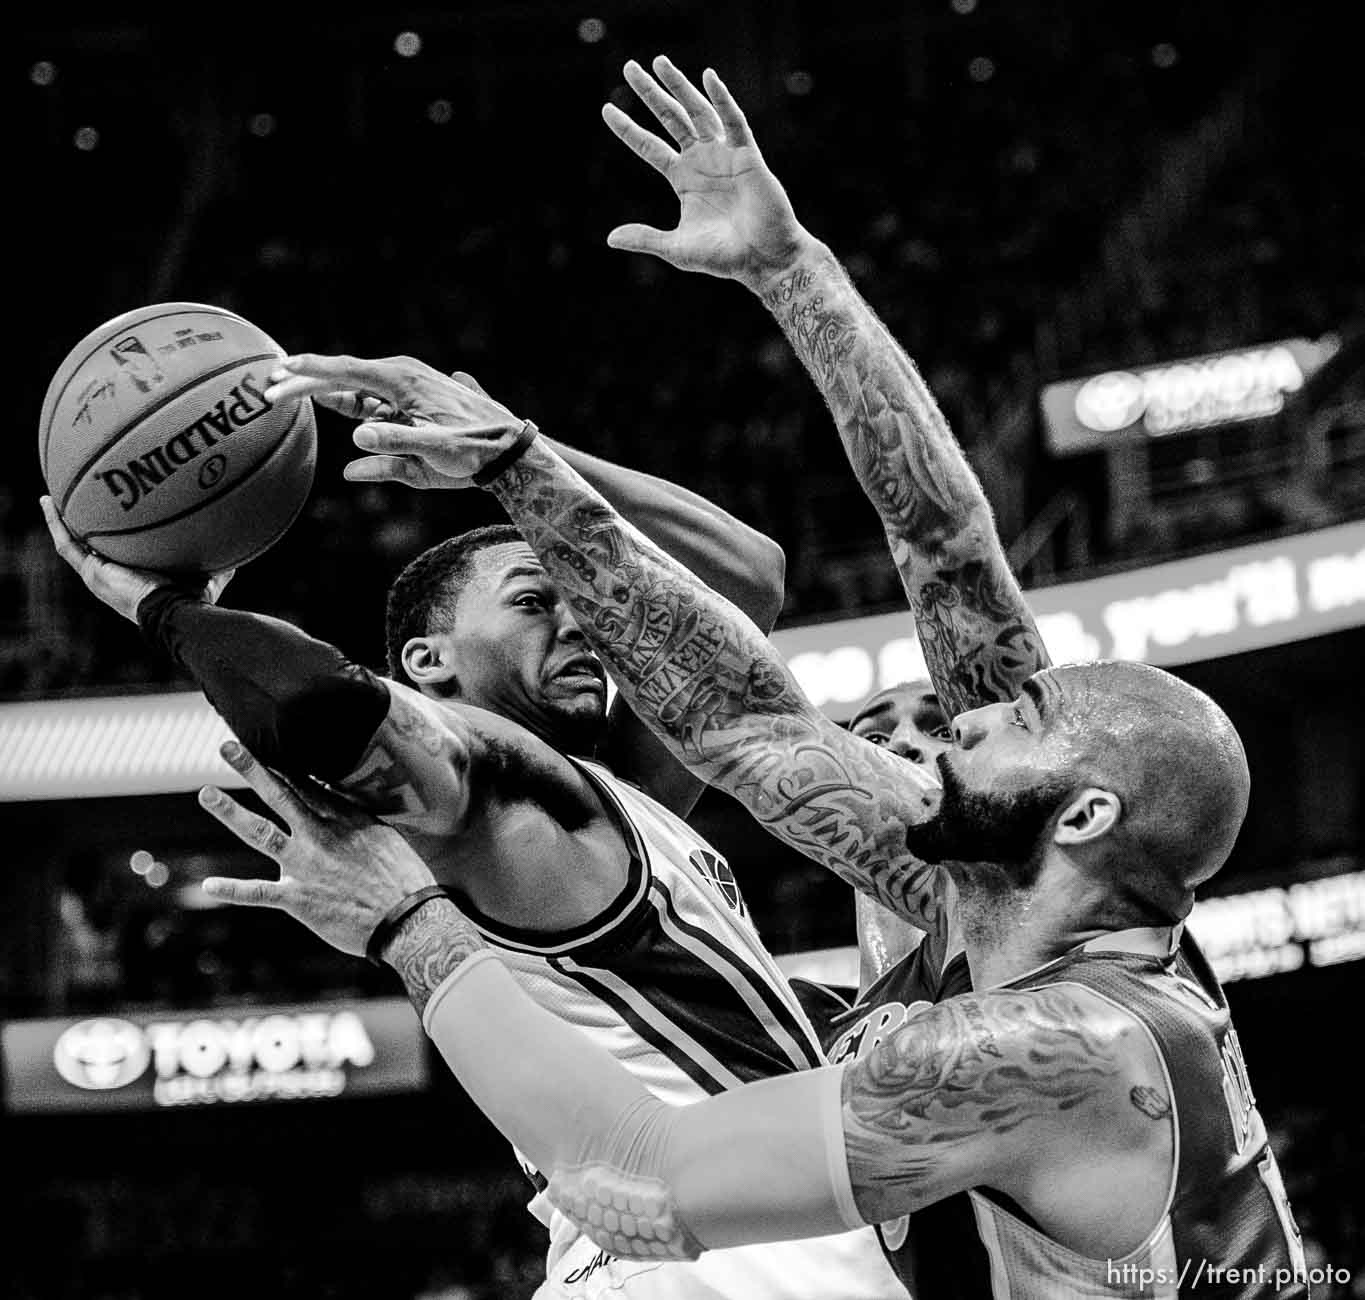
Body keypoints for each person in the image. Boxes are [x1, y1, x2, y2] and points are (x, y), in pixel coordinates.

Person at [235, 58, 1310, 1297]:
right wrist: (783, 269)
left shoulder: (1049, 1044)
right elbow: (904, 583)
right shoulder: (1022, 905)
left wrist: (406, 925)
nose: (956, 723)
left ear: (1081, 812)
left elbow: (642, 1178)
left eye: (1020, 714)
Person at [42, 414, 908, 1299]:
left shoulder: (611, 786)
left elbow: (744, 580)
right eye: (535, 602)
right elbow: (316, 706)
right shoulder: (488, 776)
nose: (579, 626)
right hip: (716, 1250)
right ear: (427, 662)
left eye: (580, 604)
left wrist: (514, 455)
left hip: (697, 1229)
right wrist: (166, 610)